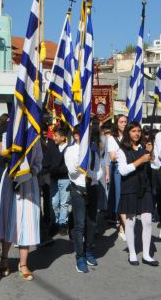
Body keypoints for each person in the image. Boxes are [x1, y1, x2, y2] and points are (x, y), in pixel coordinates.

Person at [0, 126, 42, 281]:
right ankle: (4, 258)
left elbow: (39, 161)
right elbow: (3, 154)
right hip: (11, 180)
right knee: (9, 220)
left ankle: (23, 264)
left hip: (29, 184)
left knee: (27, 223)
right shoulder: (7, 134)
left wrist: (31, 172)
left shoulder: (35, 137)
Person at [116, 121, 158, 267]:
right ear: (128, 132)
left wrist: (150, 154)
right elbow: (122, 170)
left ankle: (146, 255)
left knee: (147, 220)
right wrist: (140, 160)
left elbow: (155, 165)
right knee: (130, 221)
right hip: (130, 188)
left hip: (144, 187)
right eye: (133, 131)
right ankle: (132, 253)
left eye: (138, 131)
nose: (137, 134)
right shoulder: (122, 150)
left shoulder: (144, 147)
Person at [66, 123, 102, 273]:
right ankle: (79, 256)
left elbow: (99, 173)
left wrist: (90, 174)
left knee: (92, 223)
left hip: (92, 188)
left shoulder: (93, 152)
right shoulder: (71, 150)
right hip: (78, 191)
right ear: (76, 135)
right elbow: (72, 171)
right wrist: (83, 160)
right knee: (80, 224)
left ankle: (88, 251)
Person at [107, 115, 127, 240]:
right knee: (120, 197)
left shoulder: (130, 135)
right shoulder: (111, 138)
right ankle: (122, 226)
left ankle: (126, 225)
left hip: (130, 168)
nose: (124, 124)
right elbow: (112, 157)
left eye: (125, 122)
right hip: (118, 169)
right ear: (117, 124)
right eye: (121, 122)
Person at [49, 126, 70, 236]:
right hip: (54, 179)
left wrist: (58, 169)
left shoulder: (69, 149)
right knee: (54, 202)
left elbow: (69, 166)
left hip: (65, 179)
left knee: (64, 202)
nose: (54, 137)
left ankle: (63, 223)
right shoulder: (53, 148)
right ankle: (55, 222)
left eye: (56, 136)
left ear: (63, 137)